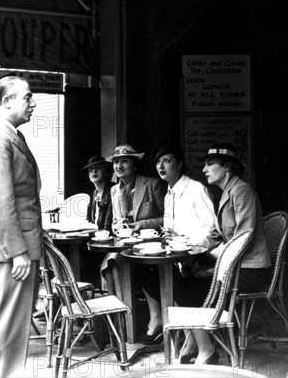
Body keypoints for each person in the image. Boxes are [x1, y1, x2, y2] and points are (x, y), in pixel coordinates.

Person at [0, 76, 43, 378]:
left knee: (10, 328)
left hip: (15, 245)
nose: (33, 103)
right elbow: (0, 202)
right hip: (12, 250)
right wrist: (17, 252)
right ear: (7, 102)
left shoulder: (7, 135)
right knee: (11, 330)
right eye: (28, 97)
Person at [178, 142, 271, 365]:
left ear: (227, 167)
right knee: (185, 277)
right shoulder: (226, 192)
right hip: (236, 266)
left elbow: (244, 238)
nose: (204, 170)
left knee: (188, 288)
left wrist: (213, 256)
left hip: (250, 270)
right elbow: (213, 235)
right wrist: (188, 247)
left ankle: (206, 350)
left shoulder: (241, 191)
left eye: (210, 164)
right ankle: (194, 343)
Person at [139, 145, 217, 345]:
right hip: (179, 258)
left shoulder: (196, 189)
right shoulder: (169, 194)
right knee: (145, 271)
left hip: (200, 259)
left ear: (180, 164)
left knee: (174, 283)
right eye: (158, 162)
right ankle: (175, 328)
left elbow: (211, 231)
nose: (161, 166)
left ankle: (192, 336)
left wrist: (186, 243)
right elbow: (171, 229)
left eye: (167, 161)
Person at [106, 144, 167, 341]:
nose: (119, 166)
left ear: (134, 165)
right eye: (116, 162)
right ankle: (121, 324)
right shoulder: (115, 190)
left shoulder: (152, 184)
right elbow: (116, 220)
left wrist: (140, 224)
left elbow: (167, 218)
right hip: (126, 245)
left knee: (139, 268)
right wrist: (117, 226)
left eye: (124, 161)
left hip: (152, 244)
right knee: (112, 263)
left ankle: (156, 318)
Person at [83, 155, 114, 231]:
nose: (94, 171)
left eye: (98, 168)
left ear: (106, 171)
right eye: (91, 168)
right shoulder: (95, 193)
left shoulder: (113, 190)